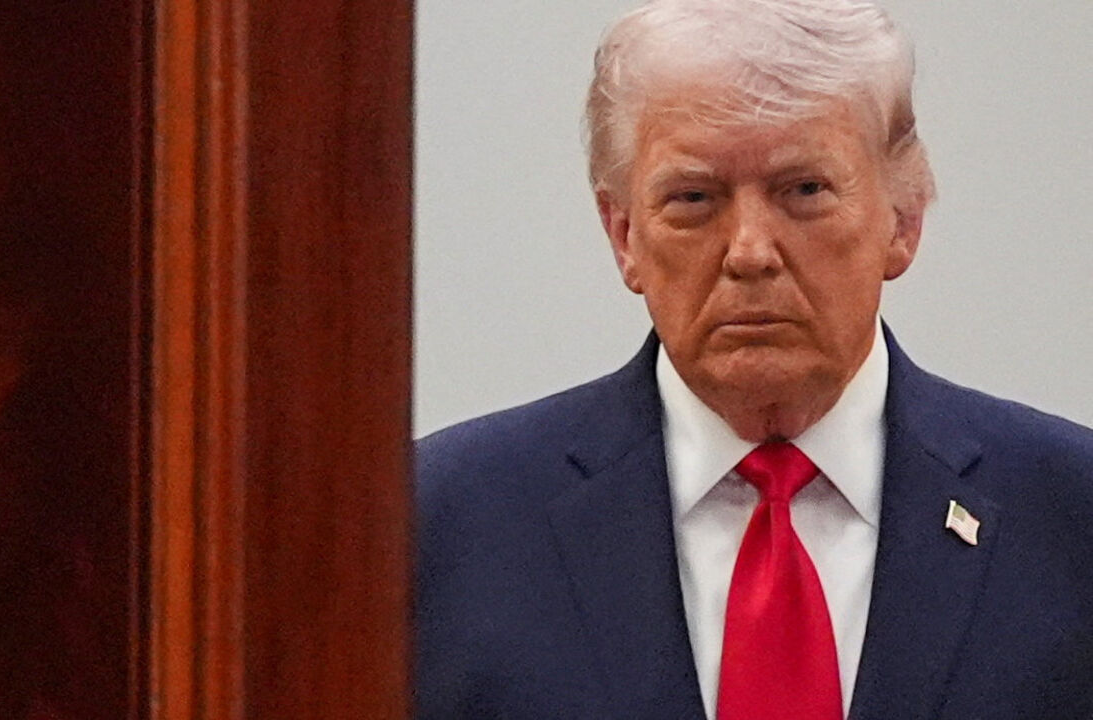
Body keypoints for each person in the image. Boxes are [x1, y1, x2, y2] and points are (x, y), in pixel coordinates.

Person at [413, 1, 1093, 718]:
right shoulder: (440, 528)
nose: (749, 252)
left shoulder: (1070, 518)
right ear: (624, 235)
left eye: (804, 191)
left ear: (904, 219)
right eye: (694, 198)